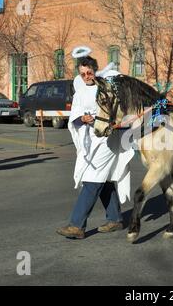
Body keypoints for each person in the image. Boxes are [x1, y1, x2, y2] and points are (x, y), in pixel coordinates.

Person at [56, 55, 134, 239]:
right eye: (82, 74)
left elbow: (119, 111)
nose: (86, 77)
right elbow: (74, 116)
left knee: (92, 179)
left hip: (107, 139)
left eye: (88, 73)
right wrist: (81, 119)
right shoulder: (80, 92)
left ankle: (76, 225)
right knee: (103, 178)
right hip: (89, 140)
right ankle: (115, 219)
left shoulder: (106, 88)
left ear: (95, 70)